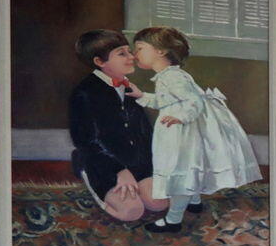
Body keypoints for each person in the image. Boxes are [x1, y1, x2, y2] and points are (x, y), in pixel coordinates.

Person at [130, 26, 262, 232]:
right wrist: (142, 96)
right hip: (178, 129)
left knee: (180, 168)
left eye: (139, 48)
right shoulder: (168, 75)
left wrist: (180, 117)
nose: (134, 54)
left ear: (160, 51)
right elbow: (164, 101)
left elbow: (194, 102)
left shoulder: (173, 77)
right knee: (188, 165)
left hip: (182, 132)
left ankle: (173, 220)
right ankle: (194, 200)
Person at [65, 28, 170, 225]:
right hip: (102, 162)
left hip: (135, 161)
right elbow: (86, 141)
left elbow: (143, 132)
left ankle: (137, 187)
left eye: (129, 51)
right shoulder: (85, 93)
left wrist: (149, 168)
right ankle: (91, 181)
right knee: (132, 211)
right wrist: (119, 171)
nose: (131, 57)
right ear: (99, 62)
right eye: (122, 53)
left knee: (159, 202)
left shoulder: (129, 87)